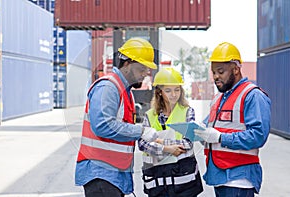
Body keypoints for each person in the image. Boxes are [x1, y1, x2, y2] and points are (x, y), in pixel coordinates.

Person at [75, 37, 160, 197]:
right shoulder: (108, 87)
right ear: (127, 64)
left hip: (112, 173)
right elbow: (102, 125)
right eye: (142, 69)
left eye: (147, 70)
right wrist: (140, 131)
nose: (145, 74)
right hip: (101, 173)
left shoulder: (125, 90)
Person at [194, 42, 271, 197]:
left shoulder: (253, 96)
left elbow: (258, 136)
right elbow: (209, 129)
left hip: (239, 179)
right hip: (219, 176)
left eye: (221, 72)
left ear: (236, 69)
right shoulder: (218, 99)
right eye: (214, 72)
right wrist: (197, 131)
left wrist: (221, 138)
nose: (216, 77)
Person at [138, 67, 204, 197]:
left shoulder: (187, 112)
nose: (173, 94)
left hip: (184, 183)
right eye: (168, 90)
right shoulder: (149, 115)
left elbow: (187, 143)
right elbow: (142, 144)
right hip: (158, 184)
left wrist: (159, 142)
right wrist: (167, 148)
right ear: (160, 92)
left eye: (177, 90)